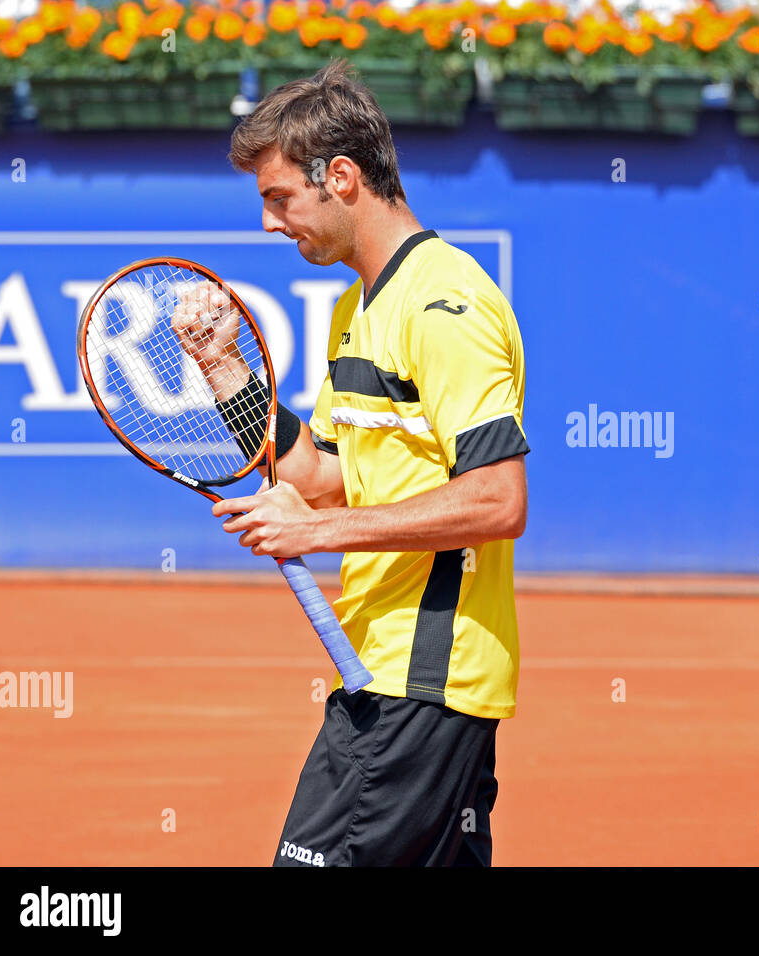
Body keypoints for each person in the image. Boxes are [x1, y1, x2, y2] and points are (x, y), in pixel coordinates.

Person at [176, 59, 530, 866]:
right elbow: (318, 477)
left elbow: (497, 500)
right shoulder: (357, 307)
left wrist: (320, 532)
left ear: (340, 177)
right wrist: (226, 371)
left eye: (278, 198)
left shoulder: (446, 303)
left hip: (417, 687)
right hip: (393, 679)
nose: (269, 223)